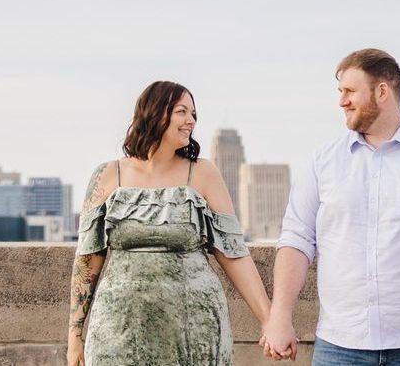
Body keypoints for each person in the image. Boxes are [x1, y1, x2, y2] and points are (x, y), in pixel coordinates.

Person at [260, 48, 400, 366]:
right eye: (340, 92)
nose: (342, 101)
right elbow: (297, 240)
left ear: (382, 91)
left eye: (350, 91)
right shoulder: (322, 163)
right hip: (339, 346)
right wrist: (279, 317)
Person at [68, 80, 280, 366]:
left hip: (194, 328)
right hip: (117, 329)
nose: (191, 120)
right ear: (155, 112)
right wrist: (74, 337)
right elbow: (87, 262)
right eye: (182, 111)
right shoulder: (107, 175)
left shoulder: (203, 173)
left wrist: (270, 320)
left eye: (194, 114)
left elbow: (233, 252)